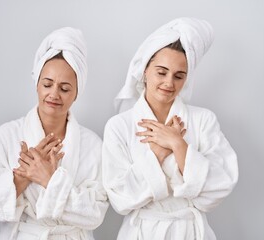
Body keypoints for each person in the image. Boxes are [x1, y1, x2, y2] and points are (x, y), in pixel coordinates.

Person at [0, 27, 108, 240]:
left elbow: (96, 213)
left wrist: (49, 180)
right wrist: (21, 177)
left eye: (65, 88)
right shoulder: (8, 135)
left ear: (77, 93)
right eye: (47, 84)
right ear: (37, 85)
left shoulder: (92, 145)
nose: (54, 94)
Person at [102, 18, 238, 240]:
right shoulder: (119, 125)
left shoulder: (203, 119)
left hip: (191, 232)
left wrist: (178, 144)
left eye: (179, 76)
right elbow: (120, 199)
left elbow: (221, 185)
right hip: (141, 233)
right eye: (161, 72)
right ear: (145, 70)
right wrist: (158, 153)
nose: (169, 83)